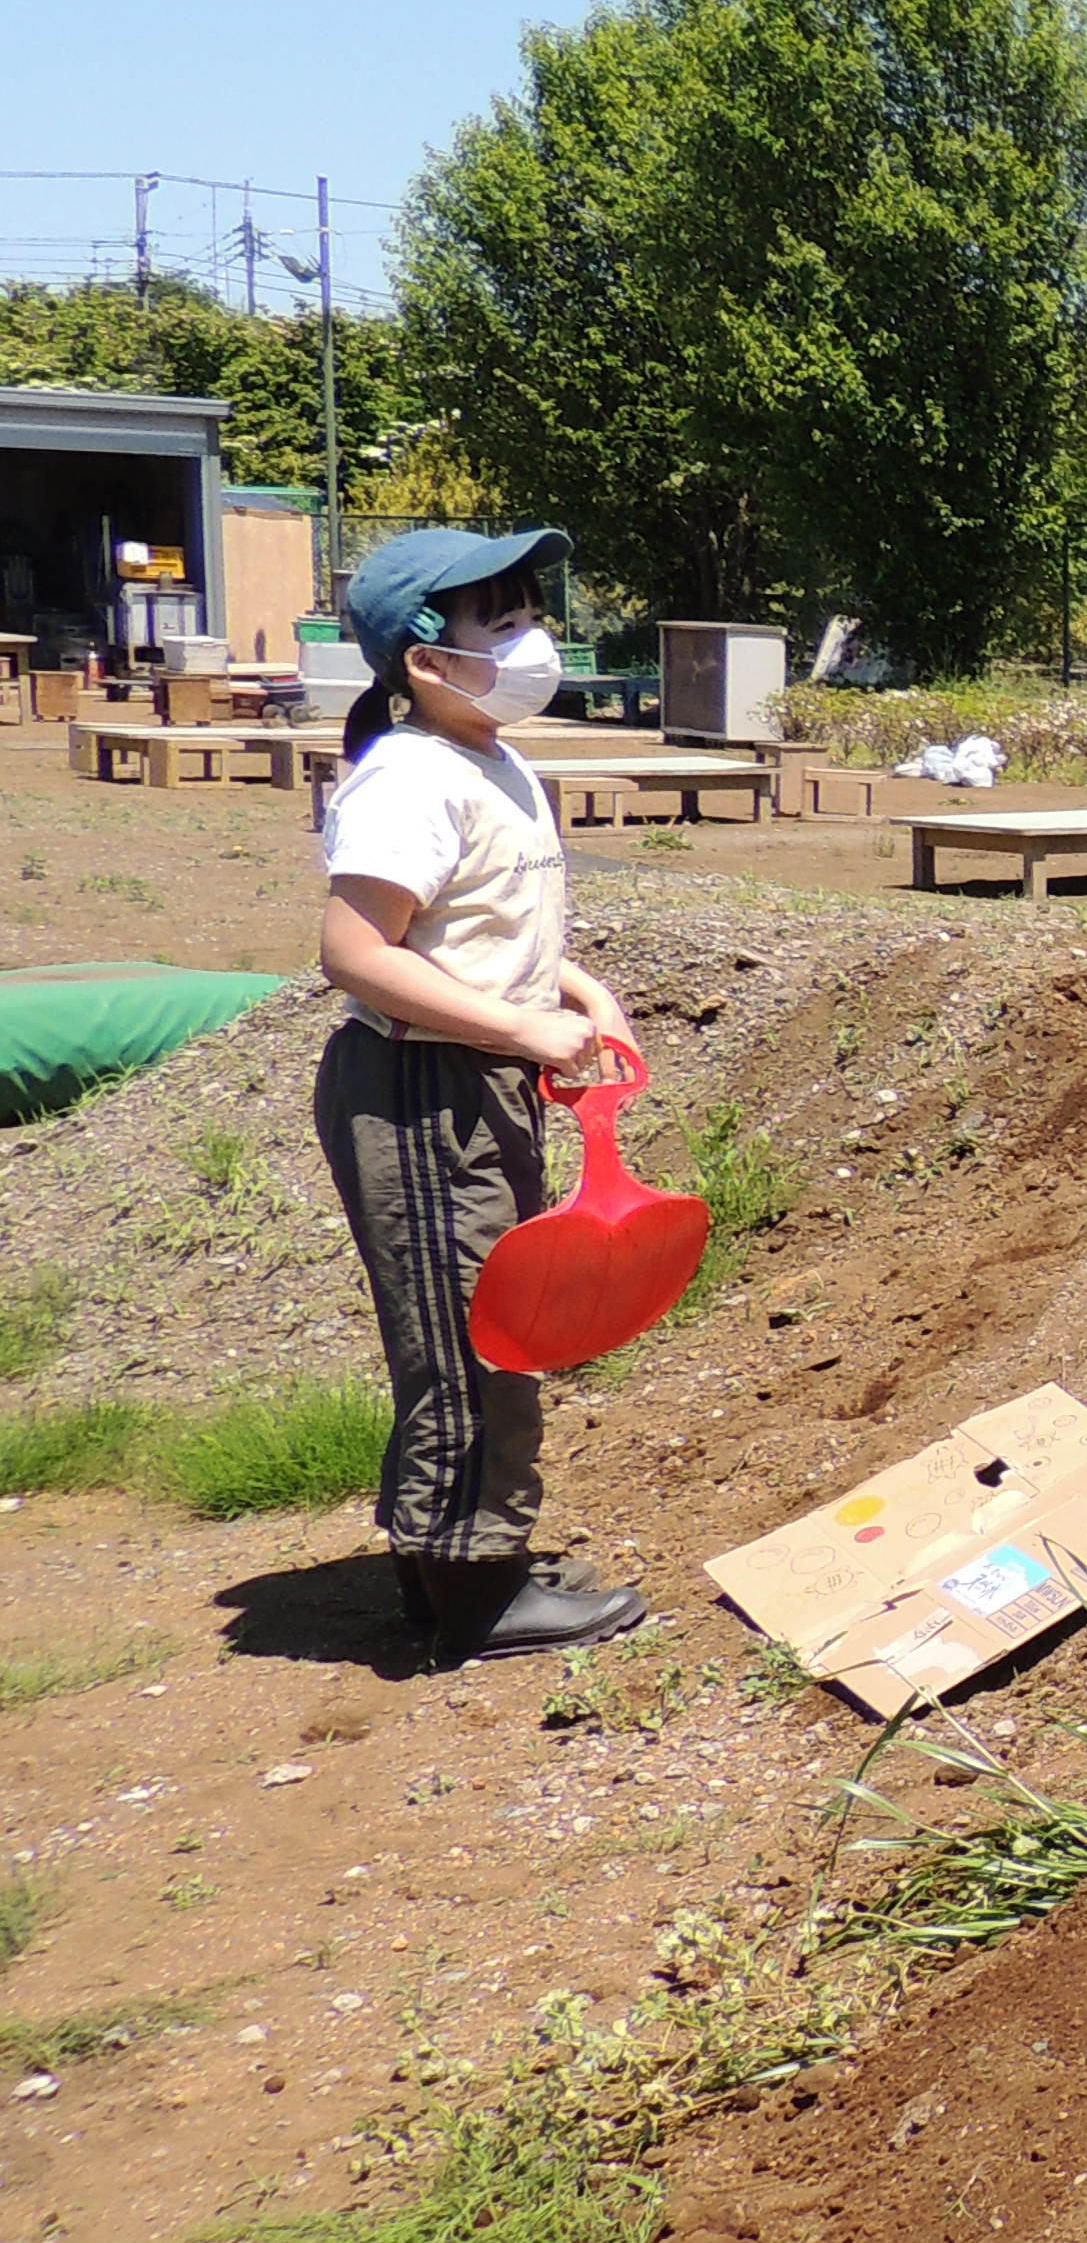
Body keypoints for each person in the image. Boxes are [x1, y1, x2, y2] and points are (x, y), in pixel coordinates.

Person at [309, 525, 646, 1663]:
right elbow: (357, 954)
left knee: (487, 1318)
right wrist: (516, 1026)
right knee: (471, 1334)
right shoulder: (409, 778)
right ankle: (474, 1588)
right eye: (497, 622)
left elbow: (480, 925)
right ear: (424, 660)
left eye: (526, 613)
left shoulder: (491, 757)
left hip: (474, 1075)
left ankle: (448, 1555)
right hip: (418, 1088)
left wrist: (576, 988)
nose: (529, 640)